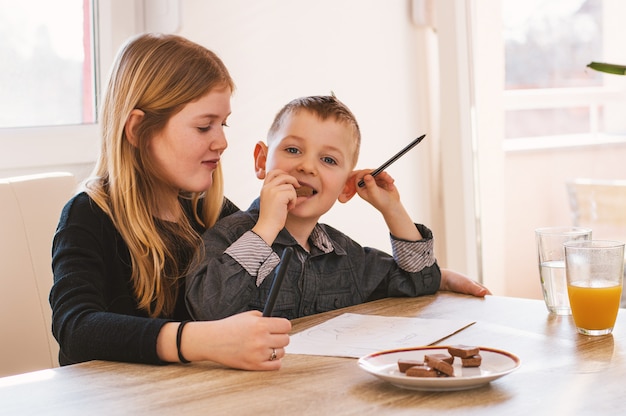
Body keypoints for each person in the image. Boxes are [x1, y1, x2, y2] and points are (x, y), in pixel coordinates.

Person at [49, 33, 291, 370]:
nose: (222, 141)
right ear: (138, 129)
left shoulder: (210, 211)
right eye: (204, 126)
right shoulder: (88, 215)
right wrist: (204, 341)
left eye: (223, 124)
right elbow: (77, 328)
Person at [185, 95, 490, 321]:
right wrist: (266, 228)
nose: (307, 166)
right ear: (262, 161)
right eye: (293, 150)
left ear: (346, 187)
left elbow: (416, 282)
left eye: (328, 160)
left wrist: (391, 210)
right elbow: (208, 310)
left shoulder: (345, 255)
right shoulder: (227, 236)